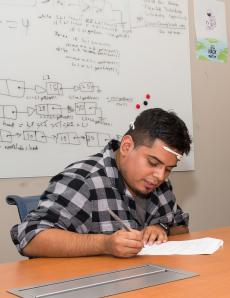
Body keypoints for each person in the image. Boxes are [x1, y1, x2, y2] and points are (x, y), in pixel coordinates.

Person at [10, 108, 192, 258]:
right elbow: (30, 238)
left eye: (168, 169)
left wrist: (161, 229)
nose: (160, 176)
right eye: (153, 163)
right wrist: (104, 244)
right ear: (127, 146)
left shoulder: (159, 183)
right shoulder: (83, 181)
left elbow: (181, 229)